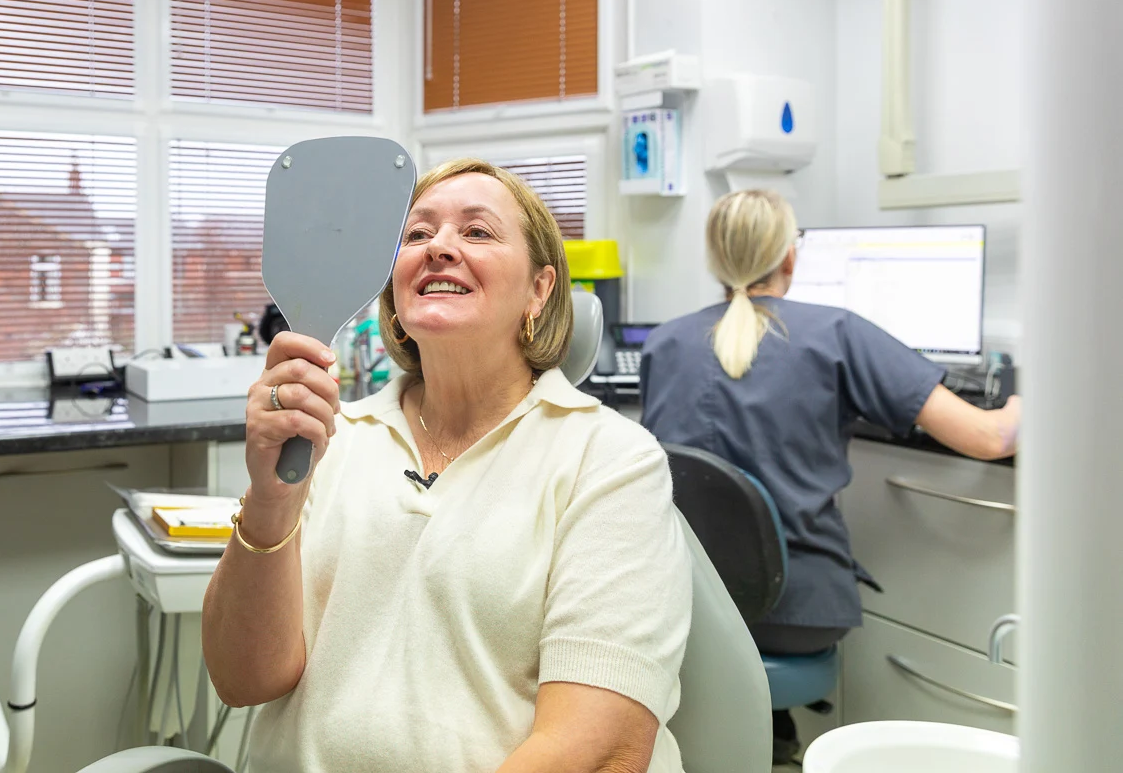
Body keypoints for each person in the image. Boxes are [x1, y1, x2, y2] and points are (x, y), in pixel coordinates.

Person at [202, 157, 692, 773]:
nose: (439, 248)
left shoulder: (608, 462)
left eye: (477, 232)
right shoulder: (331, 440)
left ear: (539, 290)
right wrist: (271, 499)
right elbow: (242, 679)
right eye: (417, 234)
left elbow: (598, 748)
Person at [640, 188, 1021, 762]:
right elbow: (990, 439)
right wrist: (1026, 399)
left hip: (687, 602)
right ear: (789, 258)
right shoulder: (837, 332)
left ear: (715, 260)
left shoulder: (665, 341)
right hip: (800, 613)